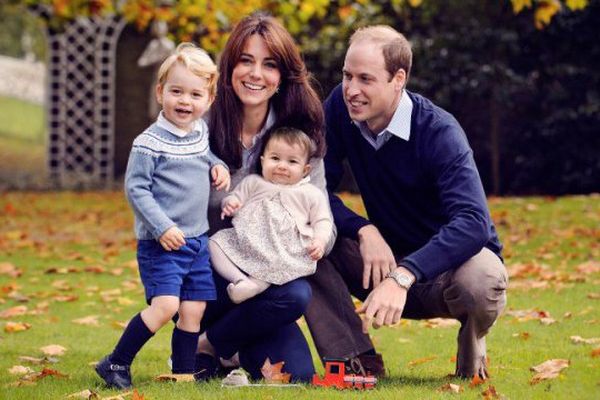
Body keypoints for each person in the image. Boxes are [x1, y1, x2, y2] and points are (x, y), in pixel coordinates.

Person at [305, 25, 508, 380]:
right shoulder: (340, 107)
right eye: (347, 75)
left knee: (484, 278)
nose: (352, 90)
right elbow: (311, 188)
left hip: (446, 274)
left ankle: (471, 357)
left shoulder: (439, 132)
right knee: (303, 234)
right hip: (380, 262)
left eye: (366, 79)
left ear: (398, 78)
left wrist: (405, 274)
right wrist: (363, 228)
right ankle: (356, 361)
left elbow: (474, 222)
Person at [189, 12, 333, 383]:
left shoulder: (300, 139)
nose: (256, 74)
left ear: (283, 77)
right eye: (246, 61)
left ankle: (210, 345)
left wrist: (305, 240)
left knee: (297, 370)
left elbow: (322, 217)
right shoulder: (198, 127)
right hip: (208, 275)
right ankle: (215, 342)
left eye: (269, 65)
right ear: (229, 66)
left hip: (269, 280)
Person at [95, 43, 230, 389]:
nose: (185, 101)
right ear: (161, 93)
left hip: (197, 241)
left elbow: (206, 156)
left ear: (209, 99)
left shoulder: (199, 132)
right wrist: (162, 226)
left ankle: (182, 374)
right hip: (162, 243)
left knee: (193, 311)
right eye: (176, 91)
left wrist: (218, 166)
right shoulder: (148, 143)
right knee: (166, 305)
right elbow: (136, 189)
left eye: (195, 94)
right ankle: (116, 363)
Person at [210, 127, 333, 304]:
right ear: (263, 161)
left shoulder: (310, 193)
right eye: (275, 158)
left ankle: (257, 284)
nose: (282, 166)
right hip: (247, 242)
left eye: (292, 162)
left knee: (276, 264)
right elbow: (235, 198)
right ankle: (240, 280)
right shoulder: (254, 183)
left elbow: (322, 220)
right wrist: (230, 204)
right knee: (214, 243)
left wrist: (320, 240)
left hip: (283, 248)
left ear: (305, 170)